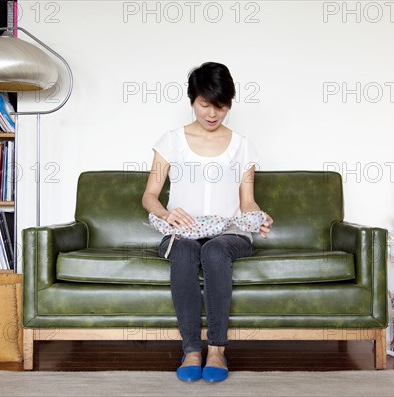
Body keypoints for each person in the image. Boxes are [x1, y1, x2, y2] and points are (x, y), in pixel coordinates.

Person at [142, 62, 273, 383]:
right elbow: (149, 196)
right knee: (185, 251)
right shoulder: (171, 140)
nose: (212, 114)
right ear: (192, 101)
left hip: (229, 233)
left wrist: (260, 218)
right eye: (205, 105)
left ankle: (216, 349)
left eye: (221, 106)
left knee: (215, 250)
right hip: (181, 232)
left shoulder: (242, 145)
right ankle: (191, 349)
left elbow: (247, 202)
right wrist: (165, 214)